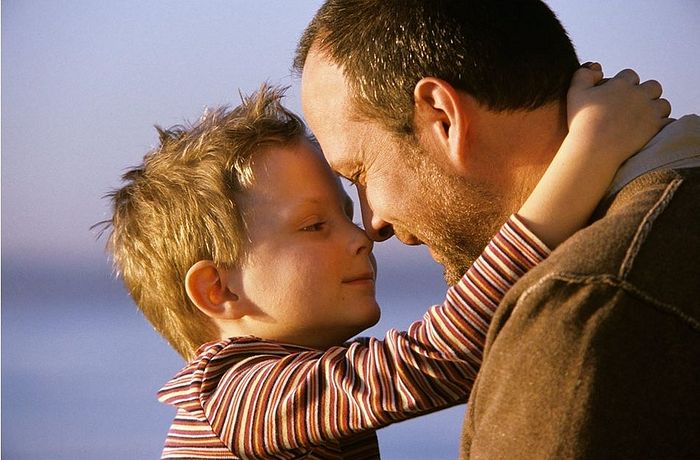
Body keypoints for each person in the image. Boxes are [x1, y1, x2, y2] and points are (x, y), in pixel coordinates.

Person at [102, 72, 663, 459]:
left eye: (347, 214)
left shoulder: (282, 390)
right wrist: (589, 152)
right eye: (314, 226)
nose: (362, 236)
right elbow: (440, 357)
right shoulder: (240, 398)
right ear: (217, 289)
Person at [294, 1, 700, 458]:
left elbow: (437, 354)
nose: (373, 226)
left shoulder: (580, 311)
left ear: (443, 119)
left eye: (360, 173)